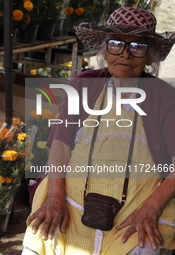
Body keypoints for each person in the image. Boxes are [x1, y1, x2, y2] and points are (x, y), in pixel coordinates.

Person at [22, 7, 175, 255]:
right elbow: (61, 143)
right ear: (104, 51)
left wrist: (151, 209)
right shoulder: (83, 84)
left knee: (141, 245)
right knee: (43, 237)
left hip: (139, 201)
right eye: (116, 44)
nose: (125, 54)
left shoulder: (165, 96)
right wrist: (55, 198)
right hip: (72, 197)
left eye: (138, 47)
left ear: (150, 57)